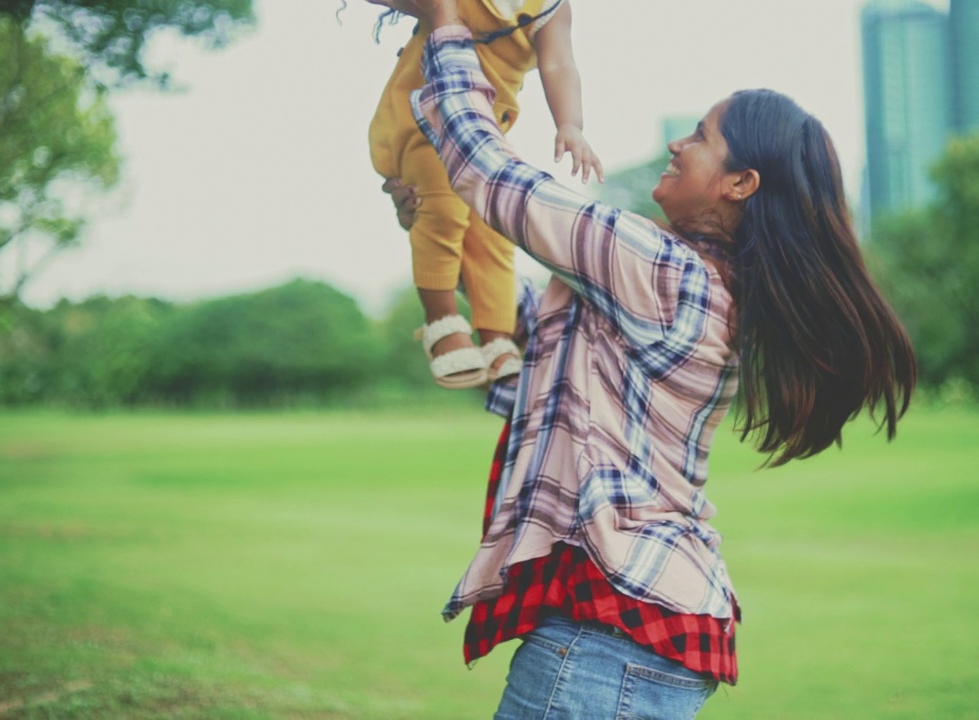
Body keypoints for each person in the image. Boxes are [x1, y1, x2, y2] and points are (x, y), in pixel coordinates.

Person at [384, 1, 917, 716]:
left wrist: (446, 22)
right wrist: (434, 219)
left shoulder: (663, 268)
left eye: (700, 137)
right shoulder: (697, 285)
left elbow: (491, 174)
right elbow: (529, 345)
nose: (677, 146)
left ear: (740, 183)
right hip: (640, 633)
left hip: (608, 640)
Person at [365, 0, 603, 389]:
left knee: (494, 231)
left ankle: (496, 338)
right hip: (423, 116)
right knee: (442, 212)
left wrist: (571, 124)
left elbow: (559, 63)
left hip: (485, 138)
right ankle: (441, 322)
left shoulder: (549, 8)